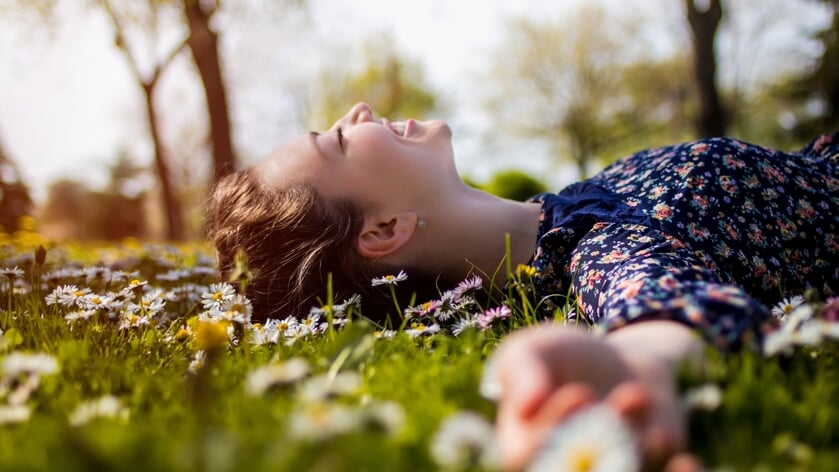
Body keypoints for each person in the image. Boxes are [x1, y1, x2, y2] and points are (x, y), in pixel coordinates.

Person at [206, 102, 839, 470]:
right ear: (383, 231)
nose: (360, 111)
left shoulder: (577, 204)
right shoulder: (597, 252)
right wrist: (629, 372)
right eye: (340, 139)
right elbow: (659, 310)